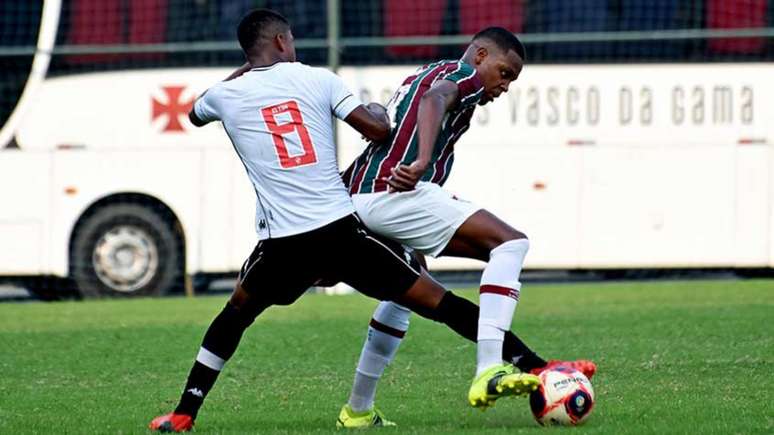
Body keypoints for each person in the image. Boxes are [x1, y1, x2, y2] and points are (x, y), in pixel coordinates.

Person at [148, 10, 539, 432]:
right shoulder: (320, 79)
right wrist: (374, 108)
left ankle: (184, 413)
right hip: (341, 233)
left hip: (282, 243)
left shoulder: (225, 96)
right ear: (283, 42)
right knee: (437, 302)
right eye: (291, 39)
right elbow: (377, 129)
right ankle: (534, 365)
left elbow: (194, 113)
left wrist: (245, 69)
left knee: (235, 314)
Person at [338, 27, 596, 426]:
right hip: (391, 195)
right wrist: (422, 161)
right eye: (504, 72)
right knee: (509, 245)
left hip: (357, 199)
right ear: (479, 56)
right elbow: (435, 99)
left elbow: (417, 102)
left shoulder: (425, 72)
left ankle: (357, 411)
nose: (505, 85)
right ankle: (489, 367)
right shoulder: (461, 78)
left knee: (404, 294)